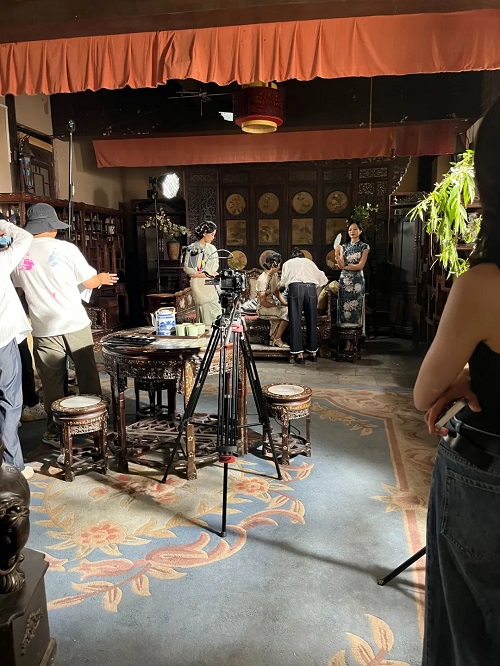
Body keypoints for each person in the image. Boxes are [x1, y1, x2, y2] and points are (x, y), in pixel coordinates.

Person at [413, 97, 500, 666]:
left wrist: (466, 374)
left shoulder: (485, 285)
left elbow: (425, 395)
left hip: (488, 476)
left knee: (466, 641)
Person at [12, 203, 118, 447]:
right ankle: (93, 425)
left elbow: (18, 284)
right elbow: (89, 282)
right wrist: (101, 278)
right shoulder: (66, 248)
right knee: (87, 375)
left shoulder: (19, 252)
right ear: (51, 226)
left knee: (52, 384)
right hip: (74, 323)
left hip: (43, 328)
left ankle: (55, 431)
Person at [0, 213, 34, 479]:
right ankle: (12, 465)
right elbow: (25, 237)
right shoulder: (2, 261)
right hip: (2, 340)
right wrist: (2, 225)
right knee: (10, 401)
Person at [280, 248, 327, 363]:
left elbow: (283, 282)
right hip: (311, 289)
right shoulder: (310, 262)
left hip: (295, 288)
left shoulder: (288, 263)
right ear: (303, 256)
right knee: (311, 319)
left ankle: (299, 354)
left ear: (292, 256)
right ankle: (313, 352)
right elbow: (323, 279)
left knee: (295, 320)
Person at [335, 221, 370, 349]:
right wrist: (336, 253)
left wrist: (345, 267)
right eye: (350, 229)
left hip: (357, 282)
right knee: (344, 310)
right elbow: (340, 265)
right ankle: (347, 342)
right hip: (344, 281)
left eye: (355, 229)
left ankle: (354, 342)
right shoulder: (343, 246)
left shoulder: (364, 246)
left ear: (360, 231)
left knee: (355, 309)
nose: (352, 232)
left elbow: (360, 266)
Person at [183, 221, 222, 330]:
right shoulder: (195, 248)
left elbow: (214, 268)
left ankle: (216, 336)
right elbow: (191, 272)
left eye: (214, 235)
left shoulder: (212, 248)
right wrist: (208, 275)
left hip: (212, 283)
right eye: (211, 234)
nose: (213, 237)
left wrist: (213, 274)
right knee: (206, 316)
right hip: (201, 285)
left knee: (217, 313)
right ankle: (207, 336)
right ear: (204, 233)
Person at [255, 252, 289, 348]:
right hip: (263, 308)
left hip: (272, 305)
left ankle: (273, 338)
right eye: (279, 264)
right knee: (287, 312)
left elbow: (277, 292)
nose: (280, 266)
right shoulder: (262, 279)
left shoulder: (274, 275)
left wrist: (284, 303)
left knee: (288, 309)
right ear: (274, 264)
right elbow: (263, 302)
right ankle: (277, 338)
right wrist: (277, 306)